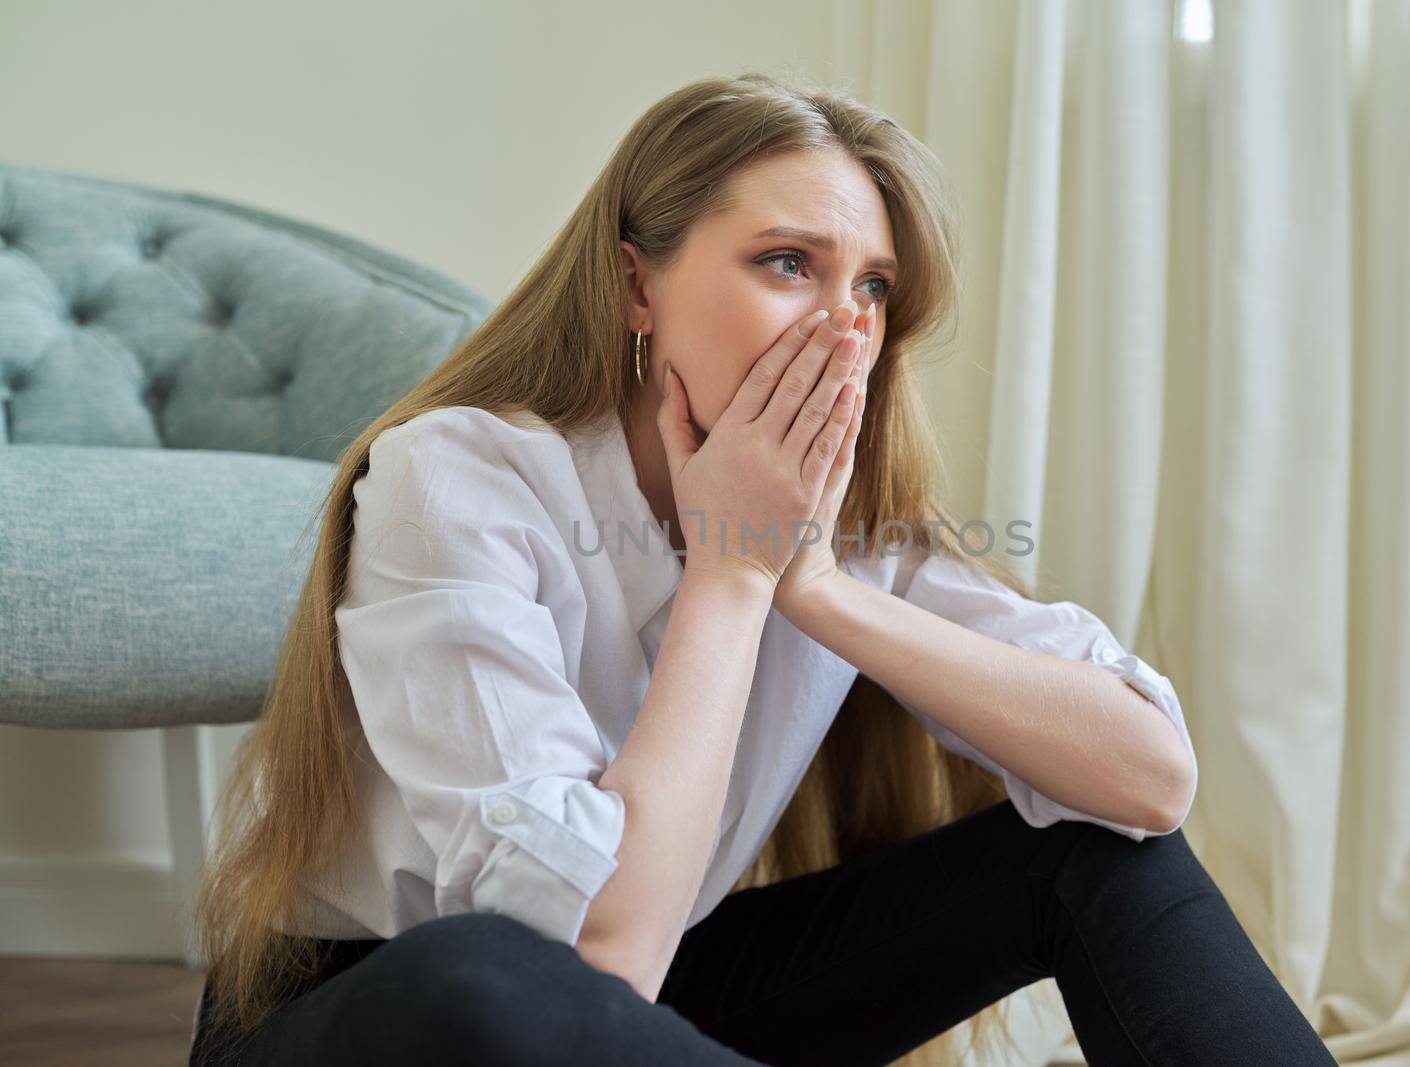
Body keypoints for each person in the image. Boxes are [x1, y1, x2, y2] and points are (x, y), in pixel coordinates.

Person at [187, 71, 1337, 1066]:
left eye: (872, 287)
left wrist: (815, 586)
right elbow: (593, 955)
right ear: (638, 287)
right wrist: (730, 578)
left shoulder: (837, 524)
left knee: (1089, 844)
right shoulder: (454, 477)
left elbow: (1147, 775)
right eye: (789, 262)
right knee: (482, 969)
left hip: (646, 1003)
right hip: (392, 1014)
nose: (843, 327)